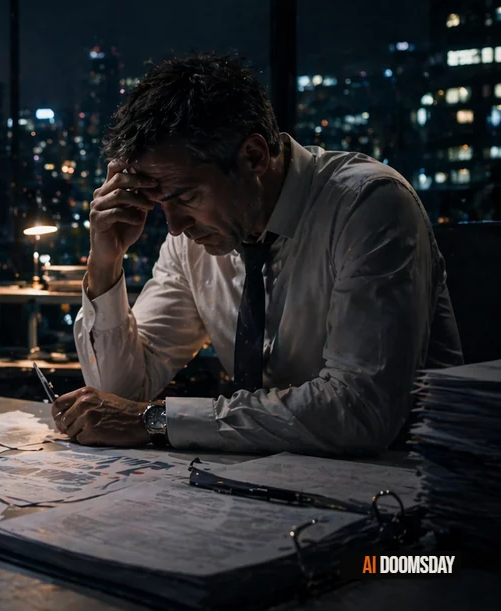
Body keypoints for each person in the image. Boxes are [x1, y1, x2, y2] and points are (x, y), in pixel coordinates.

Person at [55, 54, 463, 456]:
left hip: (408, 486)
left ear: (253, 156)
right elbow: (118, 398)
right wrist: (105, 262)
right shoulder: (195, 239)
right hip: (271, 487)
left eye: (186, 196)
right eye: (159, 202)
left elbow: (360, 409)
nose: (175, 225)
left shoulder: (367, 206)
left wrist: (157, 419)